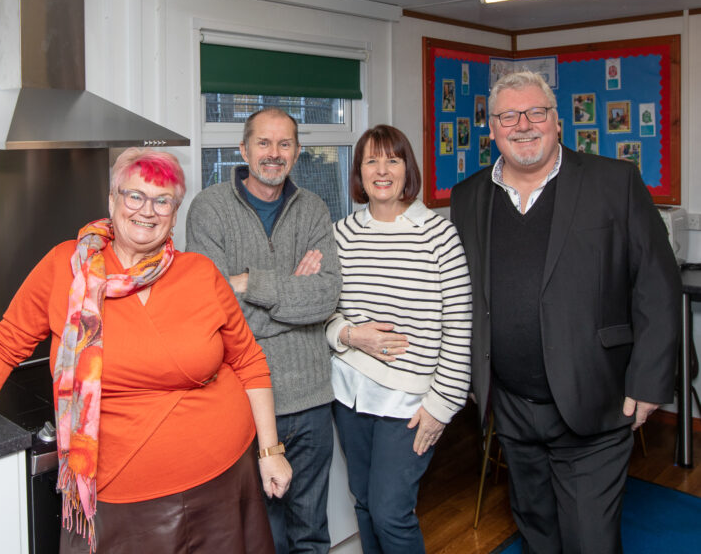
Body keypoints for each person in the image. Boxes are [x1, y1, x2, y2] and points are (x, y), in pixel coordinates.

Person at [0, 148, 292, 554]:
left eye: (163, 201)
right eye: (135, 195)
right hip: (120, 491)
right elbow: (3, 347)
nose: (148, 210)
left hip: (224, 476)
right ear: (112, 200)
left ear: (174, 212)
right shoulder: (64, 268)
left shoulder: (199, 273)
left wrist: (270, 452)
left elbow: (249, 361)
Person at [450, 71, 680, 554]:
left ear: (557, 122)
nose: (523, 125)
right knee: (536, 532)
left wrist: (649, 381)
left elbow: (657, 286)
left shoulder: (613, 182)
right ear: (491, 128)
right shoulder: (469, 197)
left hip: (596, 400)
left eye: (536, 112)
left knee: (590, 542)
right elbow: (459, 292)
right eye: (508, 116)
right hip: (510, 407)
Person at [186, 107, 341, 554]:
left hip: (312, 400)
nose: (274, 154)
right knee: (260, 536)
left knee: (311, 532)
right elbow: (214, 309)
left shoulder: (313, 209)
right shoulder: (209, 209)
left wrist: (249, 283)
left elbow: (326, 297)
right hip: (243, 401)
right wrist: (293, 293)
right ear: (243, 149)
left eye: (285, 144)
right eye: (264, 143)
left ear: (297, 152)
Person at [326, 125, 472, 553]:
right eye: (371, 160)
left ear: (408, 169)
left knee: (392, 513)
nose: (382, 170)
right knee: (366, 503)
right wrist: (349, 334)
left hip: (410, 402)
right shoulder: (342, 234)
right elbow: (324, 314)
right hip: (349, 395)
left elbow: (460, 330)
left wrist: (441, 407)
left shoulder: (439, 237)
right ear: (359, 172)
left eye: (393, 159)